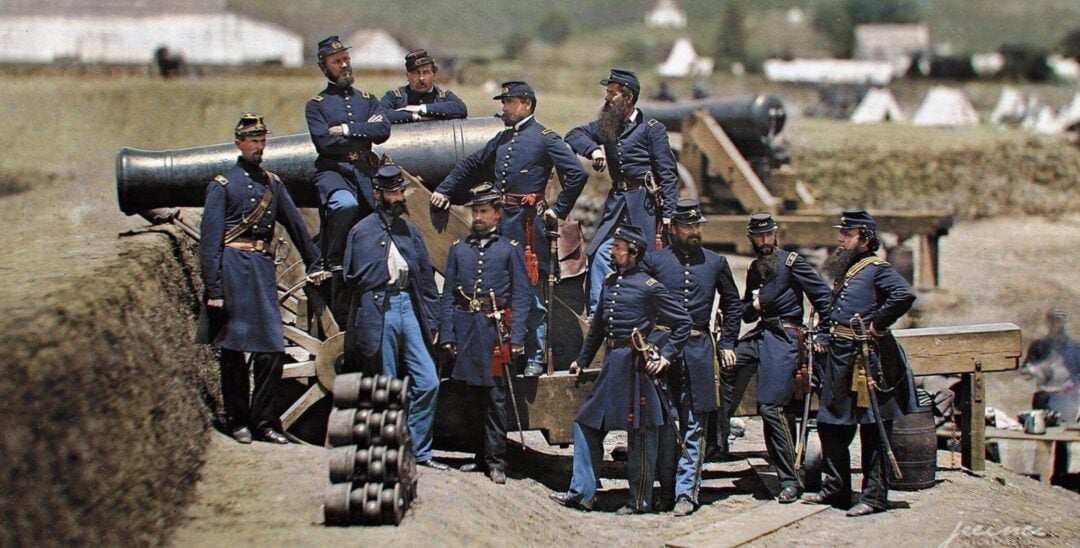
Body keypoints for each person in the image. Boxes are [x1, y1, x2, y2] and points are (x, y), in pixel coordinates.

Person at [431, 81, 587, 376]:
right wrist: (445, 190)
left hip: (527, 228)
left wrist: (557, 210)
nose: (503, 107)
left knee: (530, 295)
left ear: (525, 104)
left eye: (508, 102)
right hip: (501, 224)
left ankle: (535, 357)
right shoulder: (502, 140)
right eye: (503, 102)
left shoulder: (544, 138)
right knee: (497, 291)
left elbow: (577, 173)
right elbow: (470, 163)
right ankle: (502, 353)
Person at [198, 113, 326, 444]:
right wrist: (214, 289)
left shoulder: (273, 184)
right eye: (253, 141)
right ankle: (237, 420)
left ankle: (264, 421)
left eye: (262, 141)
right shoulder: (222, 185)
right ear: (239, 144)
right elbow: (211, 243)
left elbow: (297, 226)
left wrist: (314, 263)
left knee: (271, 348)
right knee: (234, 350)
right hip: (233, 270)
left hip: (261, 270)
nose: (259, 147)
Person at [549, 224, 691, 514]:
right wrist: (582, 360)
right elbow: (598, 327)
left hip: (638, 366)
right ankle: (582, 493)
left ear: (633, 252)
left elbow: (683, 323)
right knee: (585, 423)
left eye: (617, 247)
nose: (612, 251)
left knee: (641, 432)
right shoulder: (611, 282)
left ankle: (639, 501)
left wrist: (664, 355)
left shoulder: (650, 287)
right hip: (613, 363)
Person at [803, 209, 917, 516]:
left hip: (867, 359)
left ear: (864, 239)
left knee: (873, 426)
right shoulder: (848, 268)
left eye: (846, 235)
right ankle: (836, 490)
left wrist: (878, 325)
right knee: (831, 424)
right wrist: (825, 336)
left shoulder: (878, 268)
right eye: (840, 233)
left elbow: (903, 295)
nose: (840, 240)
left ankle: (874, 497)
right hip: (840, 357)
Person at [721, 212, 832, 504]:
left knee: (771, 407)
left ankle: (789, 480)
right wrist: (753, 305)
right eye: (758, 237)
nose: (763, 242)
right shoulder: (756, 269)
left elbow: (823, 298)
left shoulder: (792, 263)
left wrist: (823, 336)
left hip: (786, 336)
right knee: (721, 367)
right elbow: (745, 311)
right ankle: (719, 436)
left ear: (776, 234)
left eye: (767, 236)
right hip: (761, 334)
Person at [342, 164, 447, 470]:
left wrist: (434, 320)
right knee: (386, 384)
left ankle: (418, 450)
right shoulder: (361, 232)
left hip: (408, 307)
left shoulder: (411, 232)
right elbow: (353, 277)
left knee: (428, 381)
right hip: (380, 309)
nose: (399, 198)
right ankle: (389, 452)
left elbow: (426, 282)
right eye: (392, 193)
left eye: (401, 192)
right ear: (378, 195)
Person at [645, 200, 742, 516]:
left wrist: (727, 342)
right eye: (688, 227)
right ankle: (668, 490)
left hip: (700, 351)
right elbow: (639, 301)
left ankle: (687, 493)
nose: (694, 232)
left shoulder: (716, 263)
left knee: (694, 423)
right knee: (664, 423)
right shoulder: (655, 262)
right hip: (662, 349)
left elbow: (733, 305)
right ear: (673, 228)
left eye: (698, 226)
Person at [564, 69, 678, 319]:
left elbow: (668, 173)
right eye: (607, 93)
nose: (607, 99)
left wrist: (668, 215)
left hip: (644, 205)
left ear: (627, 98)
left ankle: (648, 317)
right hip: (616, 204)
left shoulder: (652, 129)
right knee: (598, 253)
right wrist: (593, 150)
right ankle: (596, 316)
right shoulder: (608, 126)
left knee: (647, 261)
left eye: (612, 94)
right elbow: (573, 135)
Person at [440, 184, 532, 484]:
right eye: (474, 211)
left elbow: (520, 296)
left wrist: (517, 337)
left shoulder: (509, 251)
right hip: (466, 330)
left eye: (483, 212)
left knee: (495, 398)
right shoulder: (458, 249)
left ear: (497, 215)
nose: (477, 217)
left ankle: (496, 462)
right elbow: (448, 297)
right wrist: (448, 335)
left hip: (495, 332)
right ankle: (478, 457)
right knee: (471, 398)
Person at [306, 35, 391, 327]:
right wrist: (361, 134)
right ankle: (334, 260)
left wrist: (344, 128)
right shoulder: (316, 105)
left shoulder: (367, 100)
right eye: (336, 62)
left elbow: (382, 131)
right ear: (324, 67)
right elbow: (324, 144)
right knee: (344, 205)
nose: (343, 65)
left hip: (364, 174)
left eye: (345, 60)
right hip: (334, 173)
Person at [380, 49, 468, 124]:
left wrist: (422, 109)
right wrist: (413, 116)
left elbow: (460, 109)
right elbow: (379, 115)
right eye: (416, 73)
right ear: (408, 76)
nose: (421, 78)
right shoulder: (395, 97)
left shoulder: (443, 97)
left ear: (434, 75)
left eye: (426, 72)